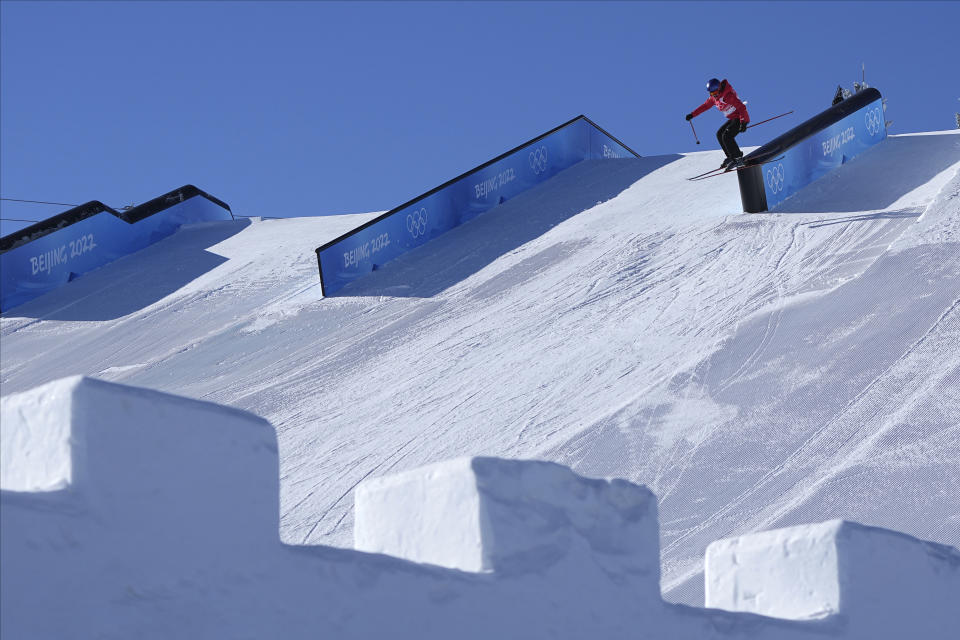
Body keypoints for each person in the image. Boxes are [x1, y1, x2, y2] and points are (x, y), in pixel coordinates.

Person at [686, 78, 751, 169]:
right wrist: (692, 114)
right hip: (732, 118)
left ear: (719, 88)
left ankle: (738, 157)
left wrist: (743, 122)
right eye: (711, 93)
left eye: (715, 92)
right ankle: (730, 157)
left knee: (727, 136)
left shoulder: (728, 95)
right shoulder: (714, 98)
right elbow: (705, 106)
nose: (714, 95)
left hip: (739, 118)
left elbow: (741, 107)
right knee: (719, 134)